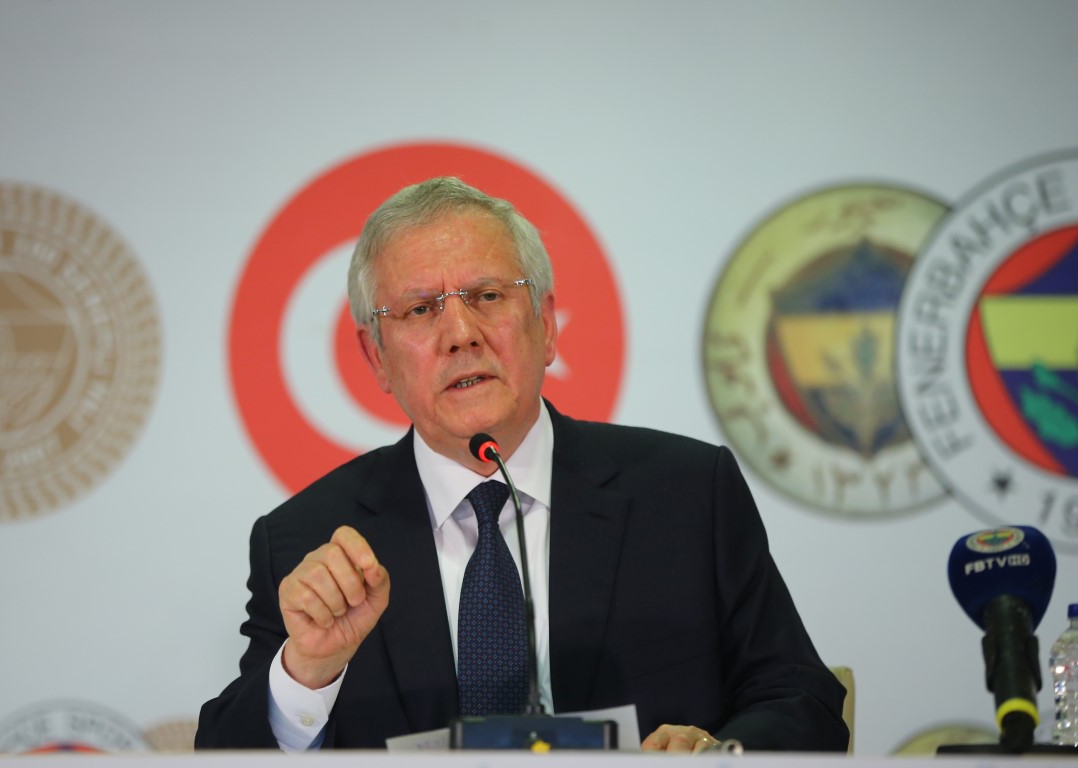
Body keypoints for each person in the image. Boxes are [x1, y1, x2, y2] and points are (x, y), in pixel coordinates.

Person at [196, 176, 848, 752]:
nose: (461, 334)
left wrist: (714, 754)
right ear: (376, 358)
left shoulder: (686, 495)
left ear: (547, 324)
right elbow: (223, 755)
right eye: (420, 310)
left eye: (487, 296)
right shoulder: (307, 540)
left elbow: (803, 701)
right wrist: (307, 673)